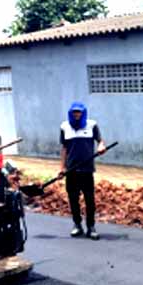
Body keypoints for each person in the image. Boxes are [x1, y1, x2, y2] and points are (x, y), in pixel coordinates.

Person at [59, 102, 106, 240]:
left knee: (89, 200)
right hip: (71, 170)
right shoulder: (64, 127)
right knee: (73, 199)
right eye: (74, 112)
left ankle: (91, 227)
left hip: (87, 170)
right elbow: (64, 149)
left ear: (83, 113)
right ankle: (77, 225)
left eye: (79, 112)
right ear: (70, 113)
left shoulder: (92, 125)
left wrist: (101, 147)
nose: (76, 114)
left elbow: (101, 141)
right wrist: (61, 168)